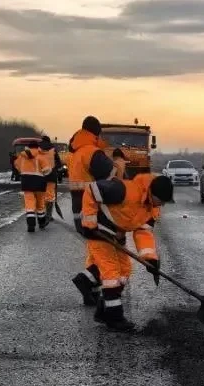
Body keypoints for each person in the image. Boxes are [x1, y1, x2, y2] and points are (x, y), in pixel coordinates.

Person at [80, 174, 174, 332]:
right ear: (153, 193)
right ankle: (114, 318)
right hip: (99, 231)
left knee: (125, 270)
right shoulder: (125, 190)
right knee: (111, 274)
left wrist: (150, 258)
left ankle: (103, 310)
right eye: (162, 200)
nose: (163, 204)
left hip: (117, 234)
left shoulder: (151, 208)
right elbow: (92, 189)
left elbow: (143, 232)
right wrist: (90, 222)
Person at [66, 116, 114, 305]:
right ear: (96, 132)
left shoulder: (75, 154)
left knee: (96, 250)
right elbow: (111, 178)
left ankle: (91, 291)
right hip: (95, 210)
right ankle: (86, 280)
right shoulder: (92, 153)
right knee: (109, 253)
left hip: (80, 211)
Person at [13, 139, 54, 232]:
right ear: (37, 147)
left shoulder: (22, 156)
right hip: (39, 183)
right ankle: (42, 223)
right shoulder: (41, 156)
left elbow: (17, 166)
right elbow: (47, 170)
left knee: (29, 204)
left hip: (26, 182)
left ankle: (31, 225)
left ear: (29, 147)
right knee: (40, 205)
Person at [39, 135, 62, 226]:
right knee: (49, 196)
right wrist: (55, 169)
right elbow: (59, 163)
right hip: (51, 176)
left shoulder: (37, 148)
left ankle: (41, 214)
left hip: (40, 176)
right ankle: (48, 215)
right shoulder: (53, 149)